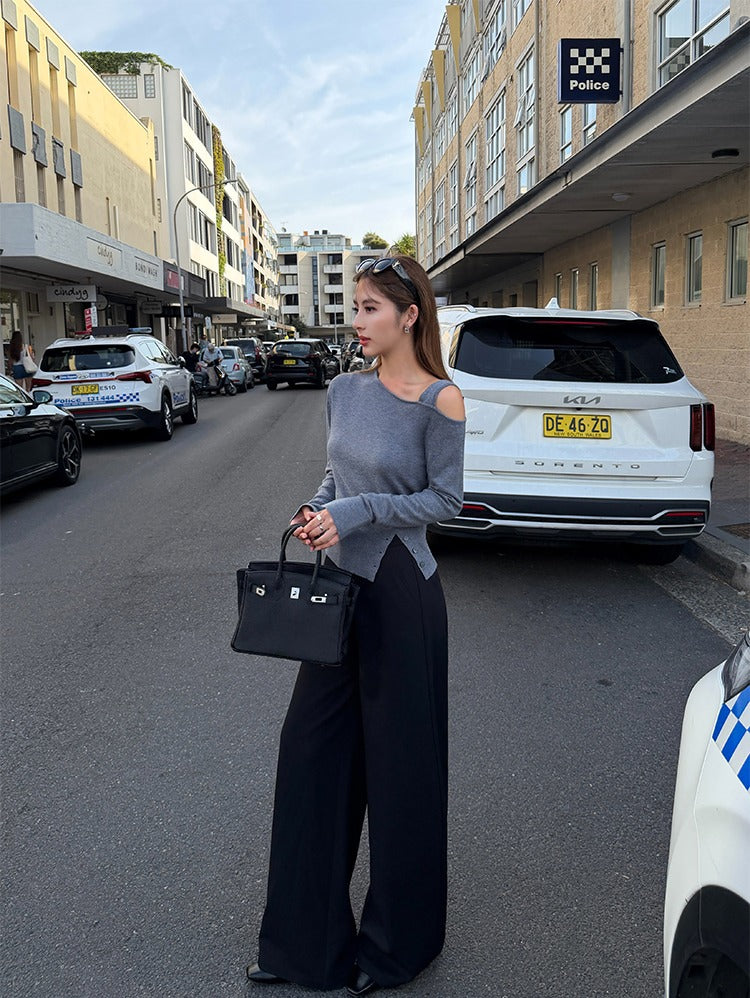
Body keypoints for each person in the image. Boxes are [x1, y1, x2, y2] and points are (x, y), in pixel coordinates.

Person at [246, 256, 466, 996]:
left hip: (402, 594)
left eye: (371, 307)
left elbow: (446, 501)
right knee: (309, 756)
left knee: (402, 773)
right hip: (338, 592)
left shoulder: (440, 401)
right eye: (356, 306)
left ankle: (397, 948)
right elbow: (336, 476)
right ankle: (300, 946)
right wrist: (316, 508)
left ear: (410, 316)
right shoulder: (343, 390)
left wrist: (359, 511)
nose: (357, 319)